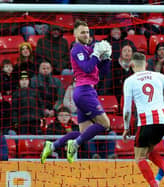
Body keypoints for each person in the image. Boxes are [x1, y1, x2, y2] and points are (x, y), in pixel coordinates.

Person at [41, 19, 112, 164]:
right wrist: (96, 55)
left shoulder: (89, 49)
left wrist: (106, 58)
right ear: (75, 34)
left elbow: (103, 72)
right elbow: (87, 68)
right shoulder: (77, 48)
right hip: (84, 91)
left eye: (87, 32)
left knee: (83, 133)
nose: (86, 35)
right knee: (105, 124)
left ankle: (54, 145)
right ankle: (74, 144)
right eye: (82, 32)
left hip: (86, 92)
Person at [122, 52, 164, 187]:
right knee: (148, 150)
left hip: (146, 120)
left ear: (132, 65)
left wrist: (125, 127)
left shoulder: (130, 81)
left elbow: (127, 108)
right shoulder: (158, 76)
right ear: (146, 64)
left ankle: (154, 184)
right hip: (163, 120)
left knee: (139, 156)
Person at [12, 71, 44, 135]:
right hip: (22, 121)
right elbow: (14, 109)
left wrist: (42, 117)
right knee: (23, 138)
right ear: (19, 82)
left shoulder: (35, 92)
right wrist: (15, 121)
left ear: (29, 81)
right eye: (22, 80)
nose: (24, 82)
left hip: (35, 119)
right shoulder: (16, 93)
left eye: (26, 79)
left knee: (36, 138)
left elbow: (40, 105)